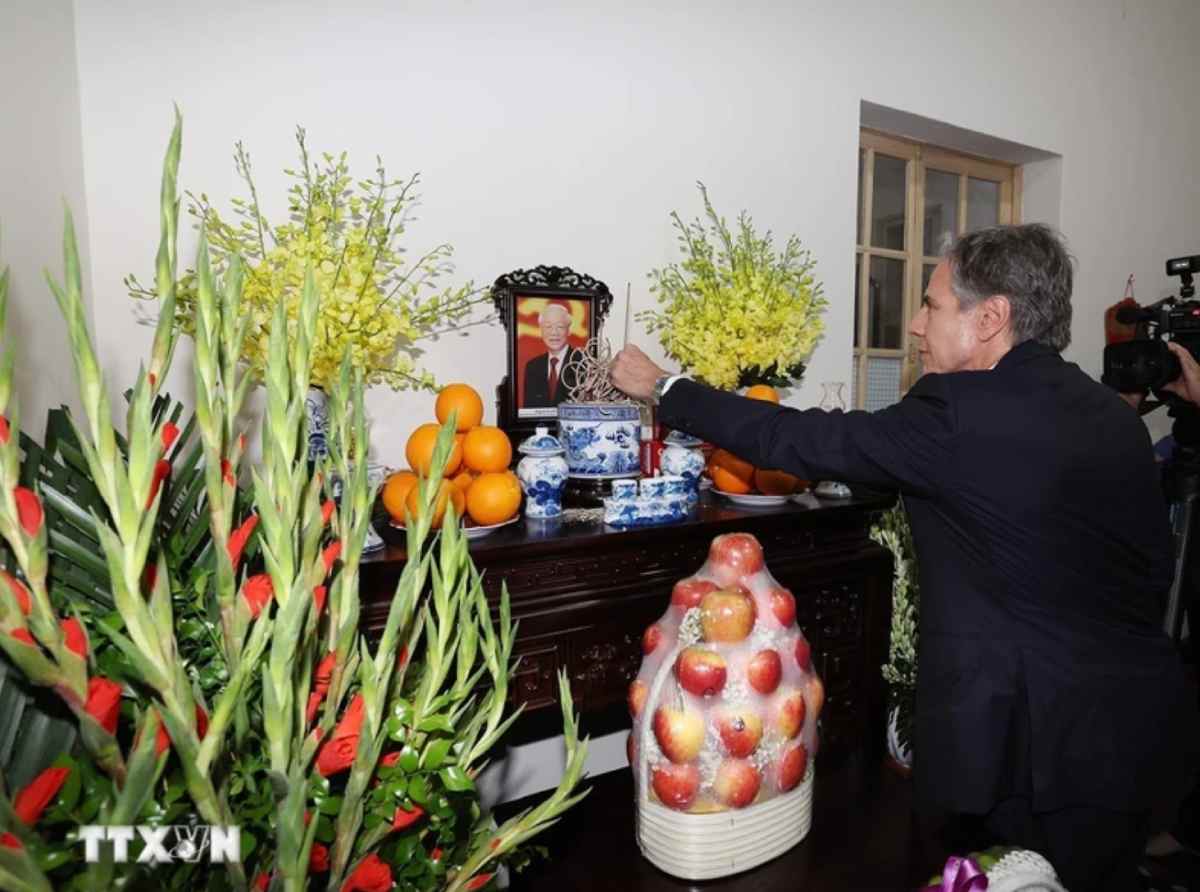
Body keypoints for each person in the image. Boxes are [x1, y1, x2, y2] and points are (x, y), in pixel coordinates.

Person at [611, 223, 1197, 892]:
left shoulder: (956, 413)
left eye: (933, 304)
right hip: (1133, 731)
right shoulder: (1114, 414)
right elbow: (1145, 565)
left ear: (992, 317)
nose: (917, 324)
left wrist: (666, 387)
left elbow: (799, 436)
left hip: (1028, 748)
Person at [522, 303, 583, 409]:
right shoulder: (532, 367)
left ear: (569, 330)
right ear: (541, 330)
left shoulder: (583, 363)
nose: (554, 332)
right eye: (548, 327)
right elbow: (529, 411)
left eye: (560, 326)